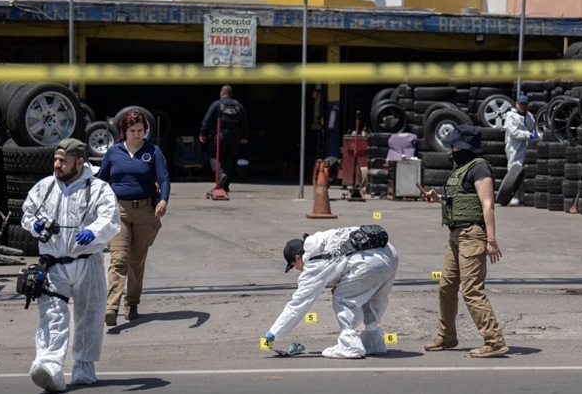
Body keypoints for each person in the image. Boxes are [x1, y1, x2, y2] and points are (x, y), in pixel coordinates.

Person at [21, 138, 120, 392]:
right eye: (56, 159)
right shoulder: (44, 188)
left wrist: (94, 232)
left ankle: (84, 367)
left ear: (79, 161)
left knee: (90, 316)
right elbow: (27, 213)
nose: (58, 164)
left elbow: (110, 218)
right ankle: (49, 366)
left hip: (88, 263)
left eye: (63, 160)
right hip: (54, 264)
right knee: (52, 315)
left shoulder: (98, 189)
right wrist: (34, 225)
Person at [422, 124, 509, 358]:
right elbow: (461, 199)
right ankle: (447, 336)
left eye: (454, 145)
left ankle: (494, 341)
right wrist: (437, 198)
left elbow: (487, 205)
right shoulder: (461, 169)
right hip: (456, 236)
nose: (451, 150)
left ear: (464, 147)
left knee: (471, 289)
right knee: (446, 286)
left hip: (473, 235)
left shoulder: (479, 168)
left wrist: (491, 240)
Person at [263, 225, 399, 359]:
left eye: (293, 266)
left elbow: (300, 302)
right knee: (367, 297)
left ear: (298, 258)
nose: (297, 270)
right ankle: (374, 342)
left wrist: (274, 332)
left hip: (368, 263)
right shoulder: (323, 238)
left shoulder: (313, 263)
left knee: (342, 299)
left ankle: (350, 345)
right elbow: (342, 258)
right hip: (388, 252)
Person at [98, 109, 171, 327]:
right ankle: (111, 307)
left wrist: (163, 200)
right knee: (118, 259)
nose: (137, 134)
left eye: (140, 130)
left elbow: (164, 178)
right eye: (133, 131)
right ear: (124, 131)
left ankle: (132, 303)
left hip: (145, 210)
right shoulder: (113, 152)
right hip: (119, 211)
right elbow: (101, 180)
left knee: (136, 261)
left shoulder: (153, 152)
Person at [198, 85, 249, 192]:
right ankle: (225, 186)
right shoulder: (238, 106)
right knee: (228, 160)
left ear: (221, 94)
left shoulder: (217, 104)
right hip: (234, 137)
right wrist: (244, 136)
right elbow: (244, 122)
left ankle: (220, 174)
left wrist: (202, 133)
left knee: (212, 156)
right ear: (231, 95)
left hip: (219, 136)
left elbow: (207, 119)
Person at [503, 94, 537, 206]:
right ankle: (513, 196)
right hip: (514, 148)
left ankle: (521, 196)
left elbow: (533, 128)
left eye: (525, 104)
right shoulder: (511, 116)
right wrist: (528, 135)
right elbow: (513, 133)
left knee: (524, 173)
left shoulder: (529, 116)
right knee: (514, 172)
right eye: (521, 104)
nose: (523, 106)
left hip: (526, 147)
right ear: (516, 104)